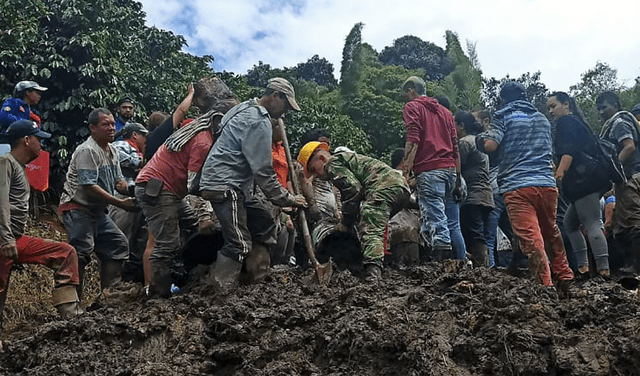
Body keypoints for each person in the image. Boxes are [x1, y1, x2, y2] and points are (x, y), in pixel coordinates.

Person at [199, 77, 307, 291]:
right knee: (238, 244)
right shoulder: (259, 121)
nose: (284, 113)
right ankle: (221, 292)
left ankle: (257, 276)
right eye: (285, 105)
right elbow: (263, 172)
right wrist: (289, 199)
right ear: (276, 96)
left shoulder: (243, 108)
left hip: (230, 182)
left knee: (263, 216)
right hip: (226, 185)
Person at [136, 76, 240, 297]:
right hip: (159, 188)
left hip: (170, 189)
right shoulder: (203, 141)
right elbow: (196, 183)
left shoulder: (205, 134)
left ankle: (187, 279)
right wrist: (205, 214)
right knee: (166, 245)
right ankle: (157, 295)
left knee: (192, 226)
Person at [476, 82, 575, 292]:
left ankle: (545, 287)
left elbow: (490, 145)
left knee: (531, 238)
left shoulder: (503, 116)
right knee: (550, 232)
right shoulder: (542, 118)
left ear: (504, 99)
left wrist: (479, 138)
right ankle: (565, 277)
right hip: (546, 185)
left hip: (518, 186)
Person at [0, 120, 83, 321]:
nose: (41, 145)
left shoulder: (19, 167)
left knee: (65, 253)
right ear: (26, 140)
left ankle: (72, 319)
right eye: (38, 139)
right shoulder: (5, 163)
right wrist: (6, 238)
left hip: (15, 238)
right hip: (5, 240)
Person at [298, 141, 410, 282]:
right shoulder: (348, 160)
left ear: (321, 158)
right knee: (369, 223)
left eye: (314, 170)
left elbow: (352, 190)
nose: (317, 175)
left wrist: (345, 221)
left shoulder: (333, 164)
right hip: (400, 188)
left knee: (371, 228)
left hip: (384, 187)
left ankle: (373, 275)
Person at [59, 108, 137, 296]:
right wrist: (120, 203)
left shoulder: (111, 150)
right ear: (93, 128)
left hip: (96, 211)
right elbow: (89, 187)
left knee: (117, 245)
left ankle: (108, 297)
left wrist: (135, 191)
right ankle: (72, 303)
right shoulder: (87, 150)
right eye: (105, 124)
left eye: (112, 124)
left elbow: (119, 182)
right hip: (77, 207)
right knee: (80, 252)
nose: (111, 128)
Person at [547, 92, 611, 277]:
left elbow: (569, 152)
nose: (551, 111)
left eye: (553, 106)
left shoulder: (566, 122)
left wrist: (558, 175)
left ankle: (603, 270)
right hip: (585, 182)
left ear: (566, 104)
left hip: (584, 182)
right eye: (549, 108)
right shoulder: (578, 122)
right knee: (570, 224)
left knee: (592, 223)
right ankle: (583, 268)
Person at [400, 76, 463, 260]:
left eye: (405, 92)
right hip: (450, 171)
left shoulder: (413, 107)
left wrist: (405, 174)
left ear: (411, 90)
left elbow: (412, 140)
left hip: (429, 171)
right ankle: (460, 264)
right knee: (451, 223)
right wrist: (458, 178)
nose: (404, 96)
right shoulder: (445, 113)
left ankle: (441, 268)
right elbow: (454, 146)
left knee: (436, 221)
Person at [596, 91, 640, 273]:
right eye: (598, 109)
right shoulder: (622, 122)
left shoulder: (619, 123)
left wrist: (613, 169)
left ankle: (636, 265)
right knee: (622, 223)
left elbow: (628, 146)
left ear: (615, 105)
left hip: (630, 177)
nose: (600, 112)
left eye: (604, 107)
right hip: (631, 175)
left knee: (633, 221)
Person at [109, 122, 149, 283]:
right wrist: (140, 162)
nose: (145, 140)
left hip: (131, 197)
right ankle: (115, 279)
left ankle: (127, 277)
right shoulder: (120, 145)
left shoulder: (136, 150)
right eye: (143, 136)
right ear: (135, 135)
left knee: (132, 237)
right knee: (121, 236)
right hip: (120, 198)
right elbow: (119, 157)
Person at [454, 110, 494, 266]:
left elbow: (457, 167)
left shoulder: (465, 143)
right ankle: (484, 268)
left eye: (454, 125)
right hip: (486, 195)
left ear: (462, 125)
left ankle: (481, 269)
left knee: (474, 235)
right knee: (481, 233)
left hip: (472, 195)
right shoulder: (479, 141)